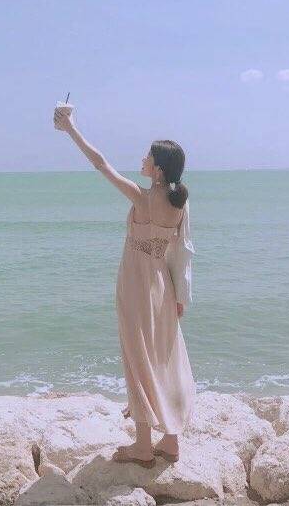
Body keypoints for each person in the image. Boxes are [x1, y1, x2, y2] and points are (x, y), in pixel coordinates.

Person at [54, 104, 197, 468]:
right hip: (163, 289)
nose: (143, 159)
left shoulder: (142, 197)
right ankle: (171, 441)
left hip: (136, 287)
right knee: (164, 359)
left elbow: (101, 163)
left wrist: (71, 129)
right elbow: (183, 253)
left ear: (158, 169)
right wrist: (181, 297)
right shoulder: (180, 204)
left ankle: (143, 447)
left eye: (148, 156)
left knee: (138, 360)